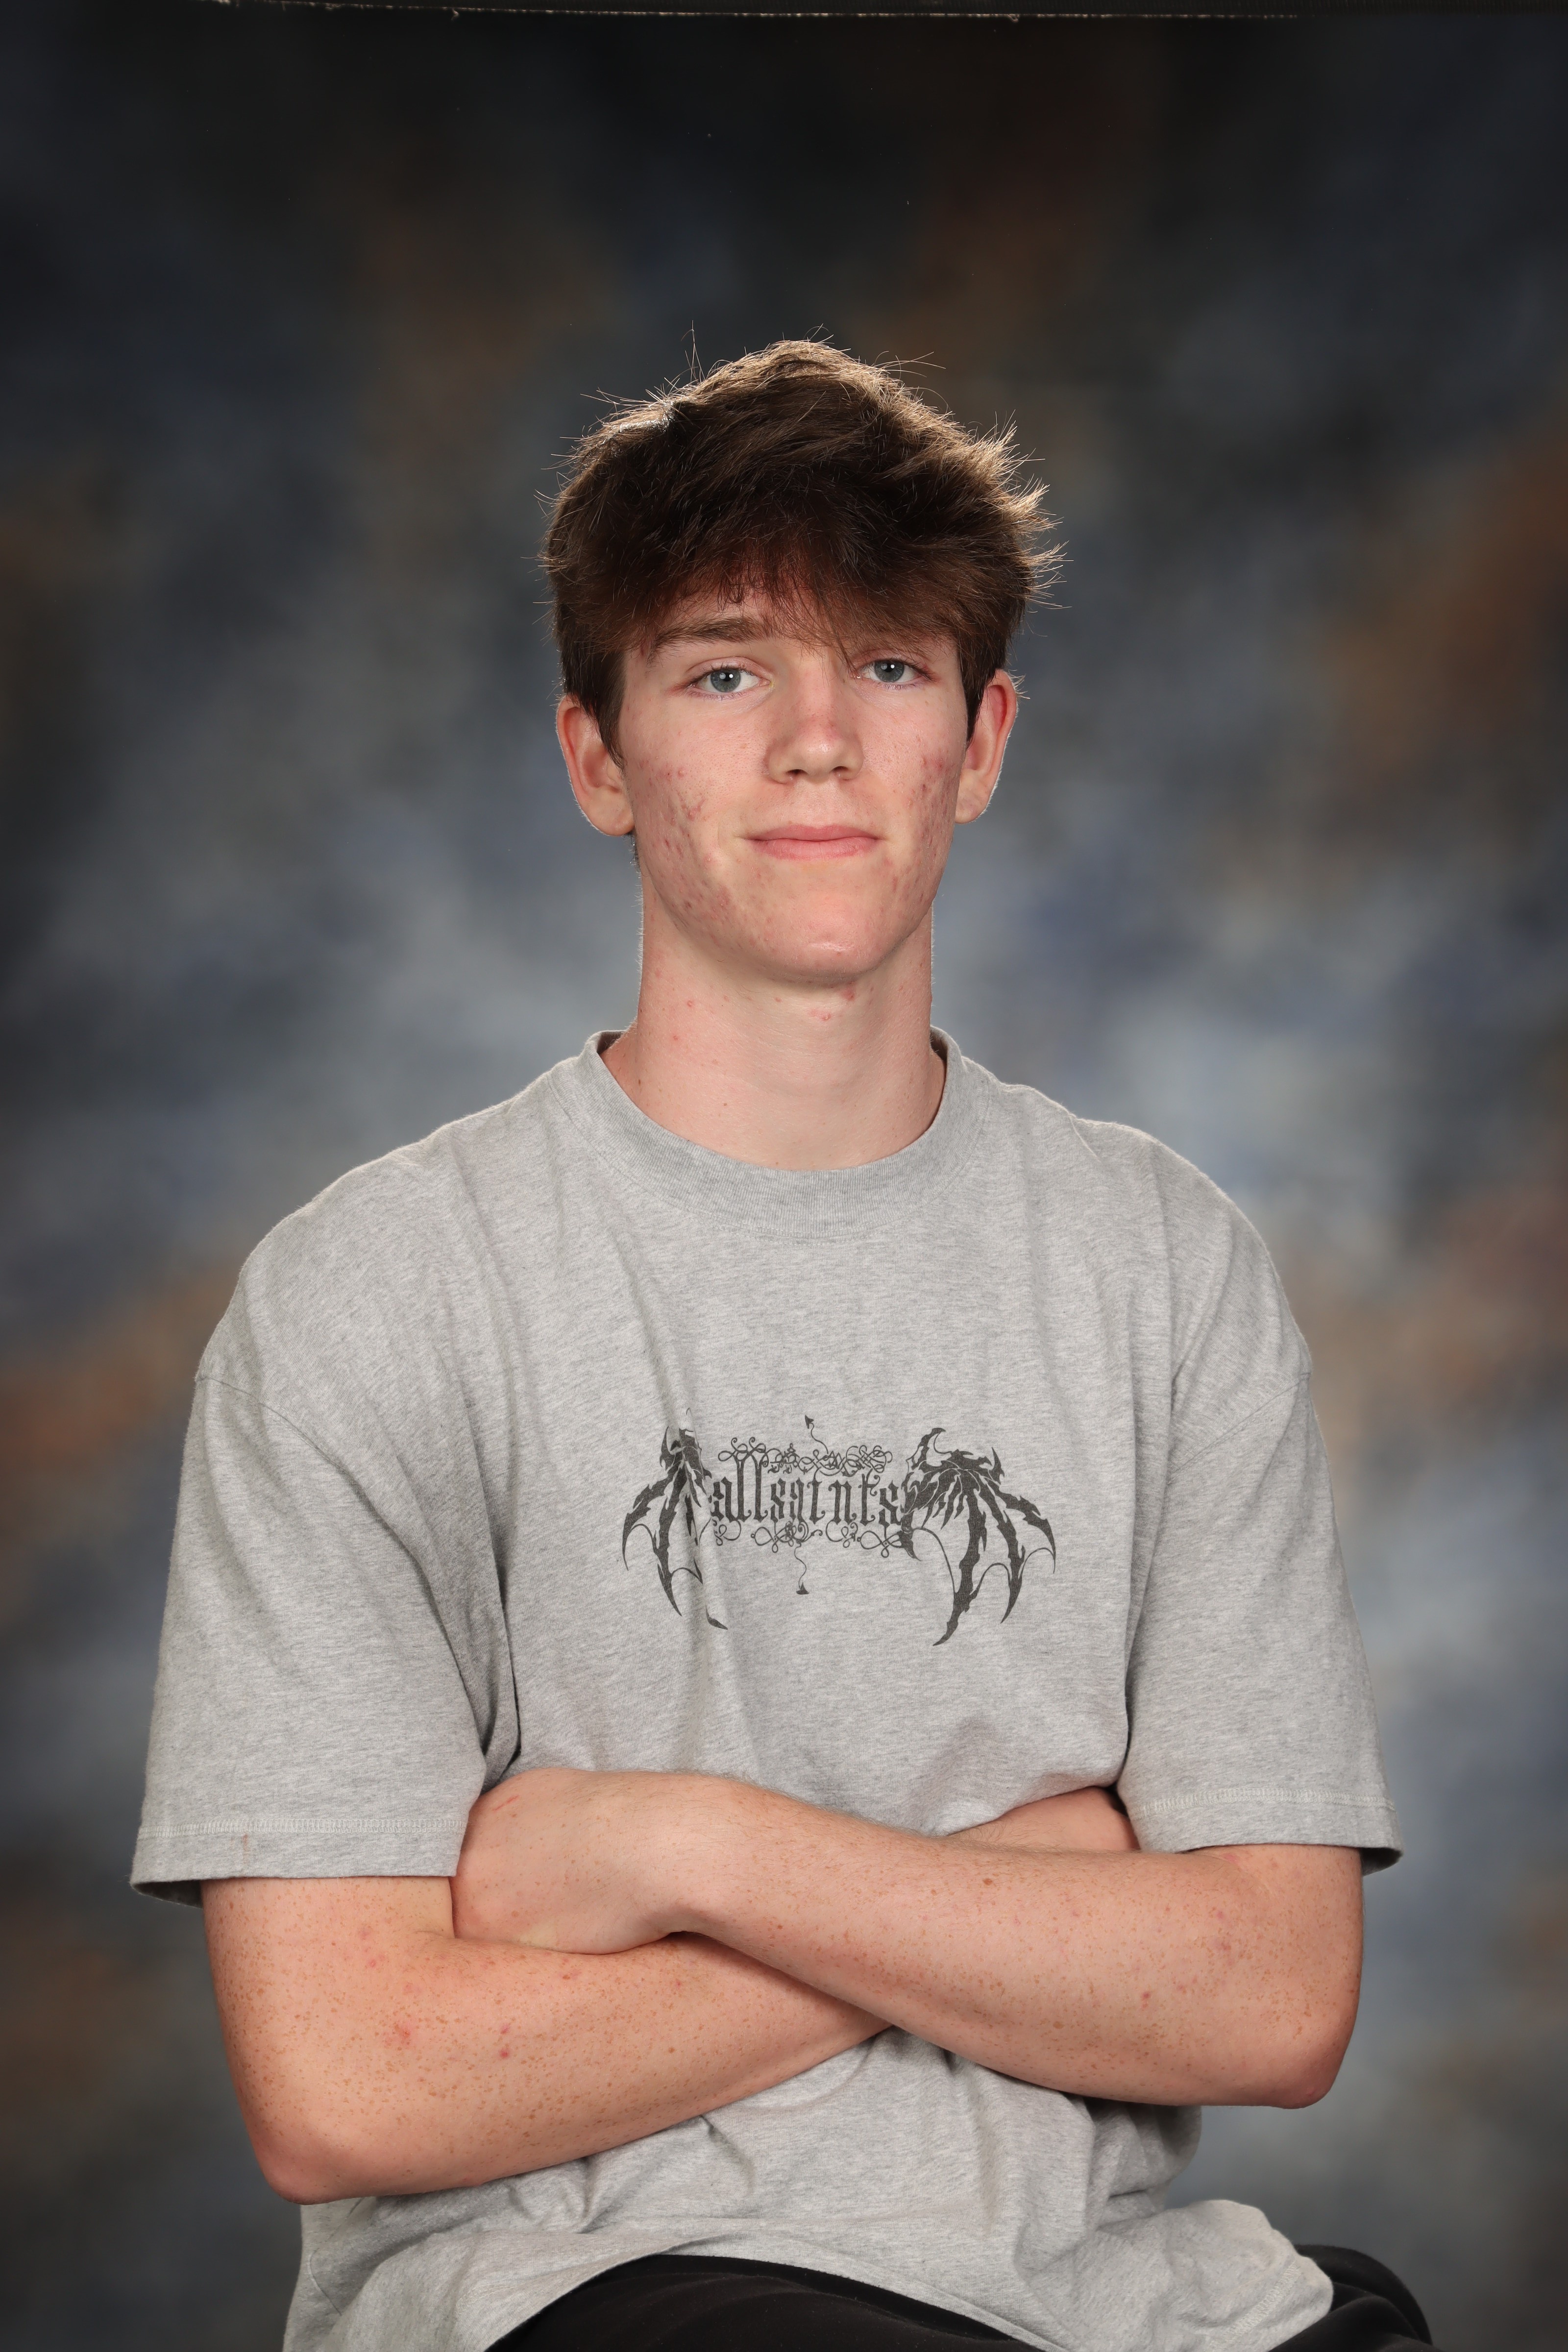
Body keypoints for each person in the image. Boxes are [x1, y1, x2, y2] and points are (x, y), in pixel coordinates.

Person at [134, 342, 1435, 2352]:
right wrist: (1026, 1894)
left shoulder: (1165, 1267)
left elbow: (1271, 2002)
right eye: (726, 672)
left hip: (1128, 2306)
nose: (819, 744)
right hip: (593, 2294)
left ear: (978, 743)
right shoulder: (371, 1296)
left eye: (889, 668)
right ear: (597, 756)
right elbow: (345, 2090)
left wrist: (682, 1846)